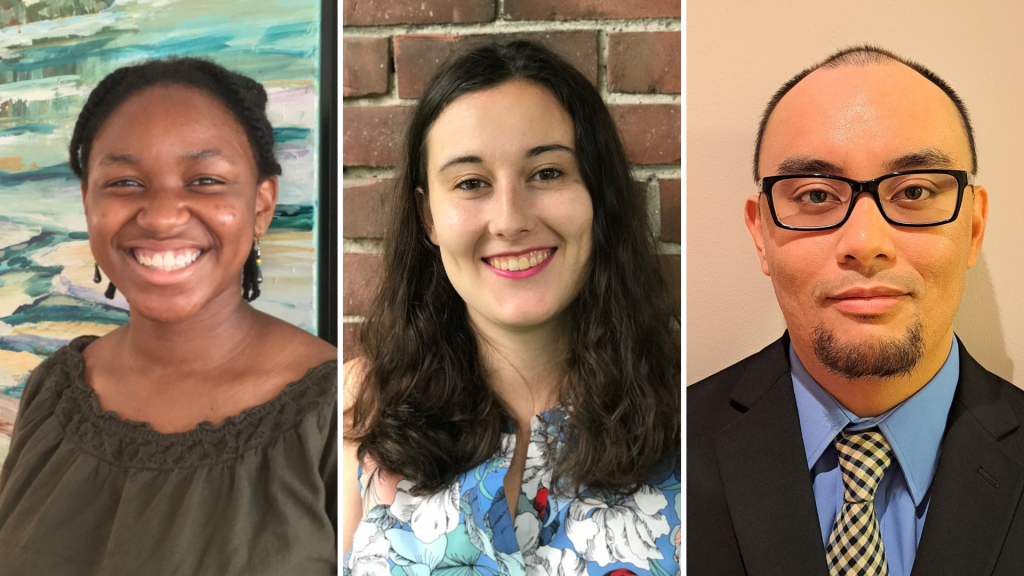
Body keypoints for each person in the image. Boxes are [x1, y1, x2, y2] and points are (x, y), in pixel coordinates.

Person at [343, 41, 680, 576]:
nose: (510, 219)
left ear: (598, 194)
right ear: (427, 215)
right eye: (471, 183)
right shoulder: (359, 405)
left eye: (546, 173)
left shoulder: (689, 409)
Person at [686, 45, 1024, 575]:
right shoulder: (672, 446)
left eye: (914, 190)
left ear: (973, 227)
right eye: (817, 196)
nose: (865, 243)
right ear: (761, 234)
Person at [0, 58, 338, 575]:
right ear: (88, 202)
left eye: (204, 179)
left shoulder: (345, 414)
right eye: (124, 183)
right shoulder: (52, 391)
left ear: (262, 204)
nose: (160, 217)